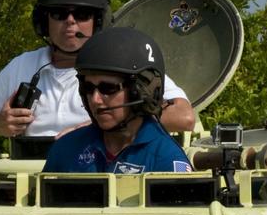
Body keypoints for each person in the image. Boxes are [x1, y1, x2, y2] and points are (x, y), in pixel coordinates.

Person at [0, 0, 196, 139]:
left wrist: (99, 125)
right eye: (59, 14)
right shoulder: (23, 65)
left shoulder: (124, 62)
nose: (70, 22)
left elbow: (183, 116)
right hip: (30, 176)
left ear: (98, 21)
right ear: (44, 21)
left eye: (82, 14)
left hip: (98, 172)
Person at [42, 27, 193, 174]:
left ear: (139, 91)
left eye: (108, 88)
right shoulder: (66, 149)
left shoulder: (166, 160)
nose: (95, 99)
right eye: (88, 88)